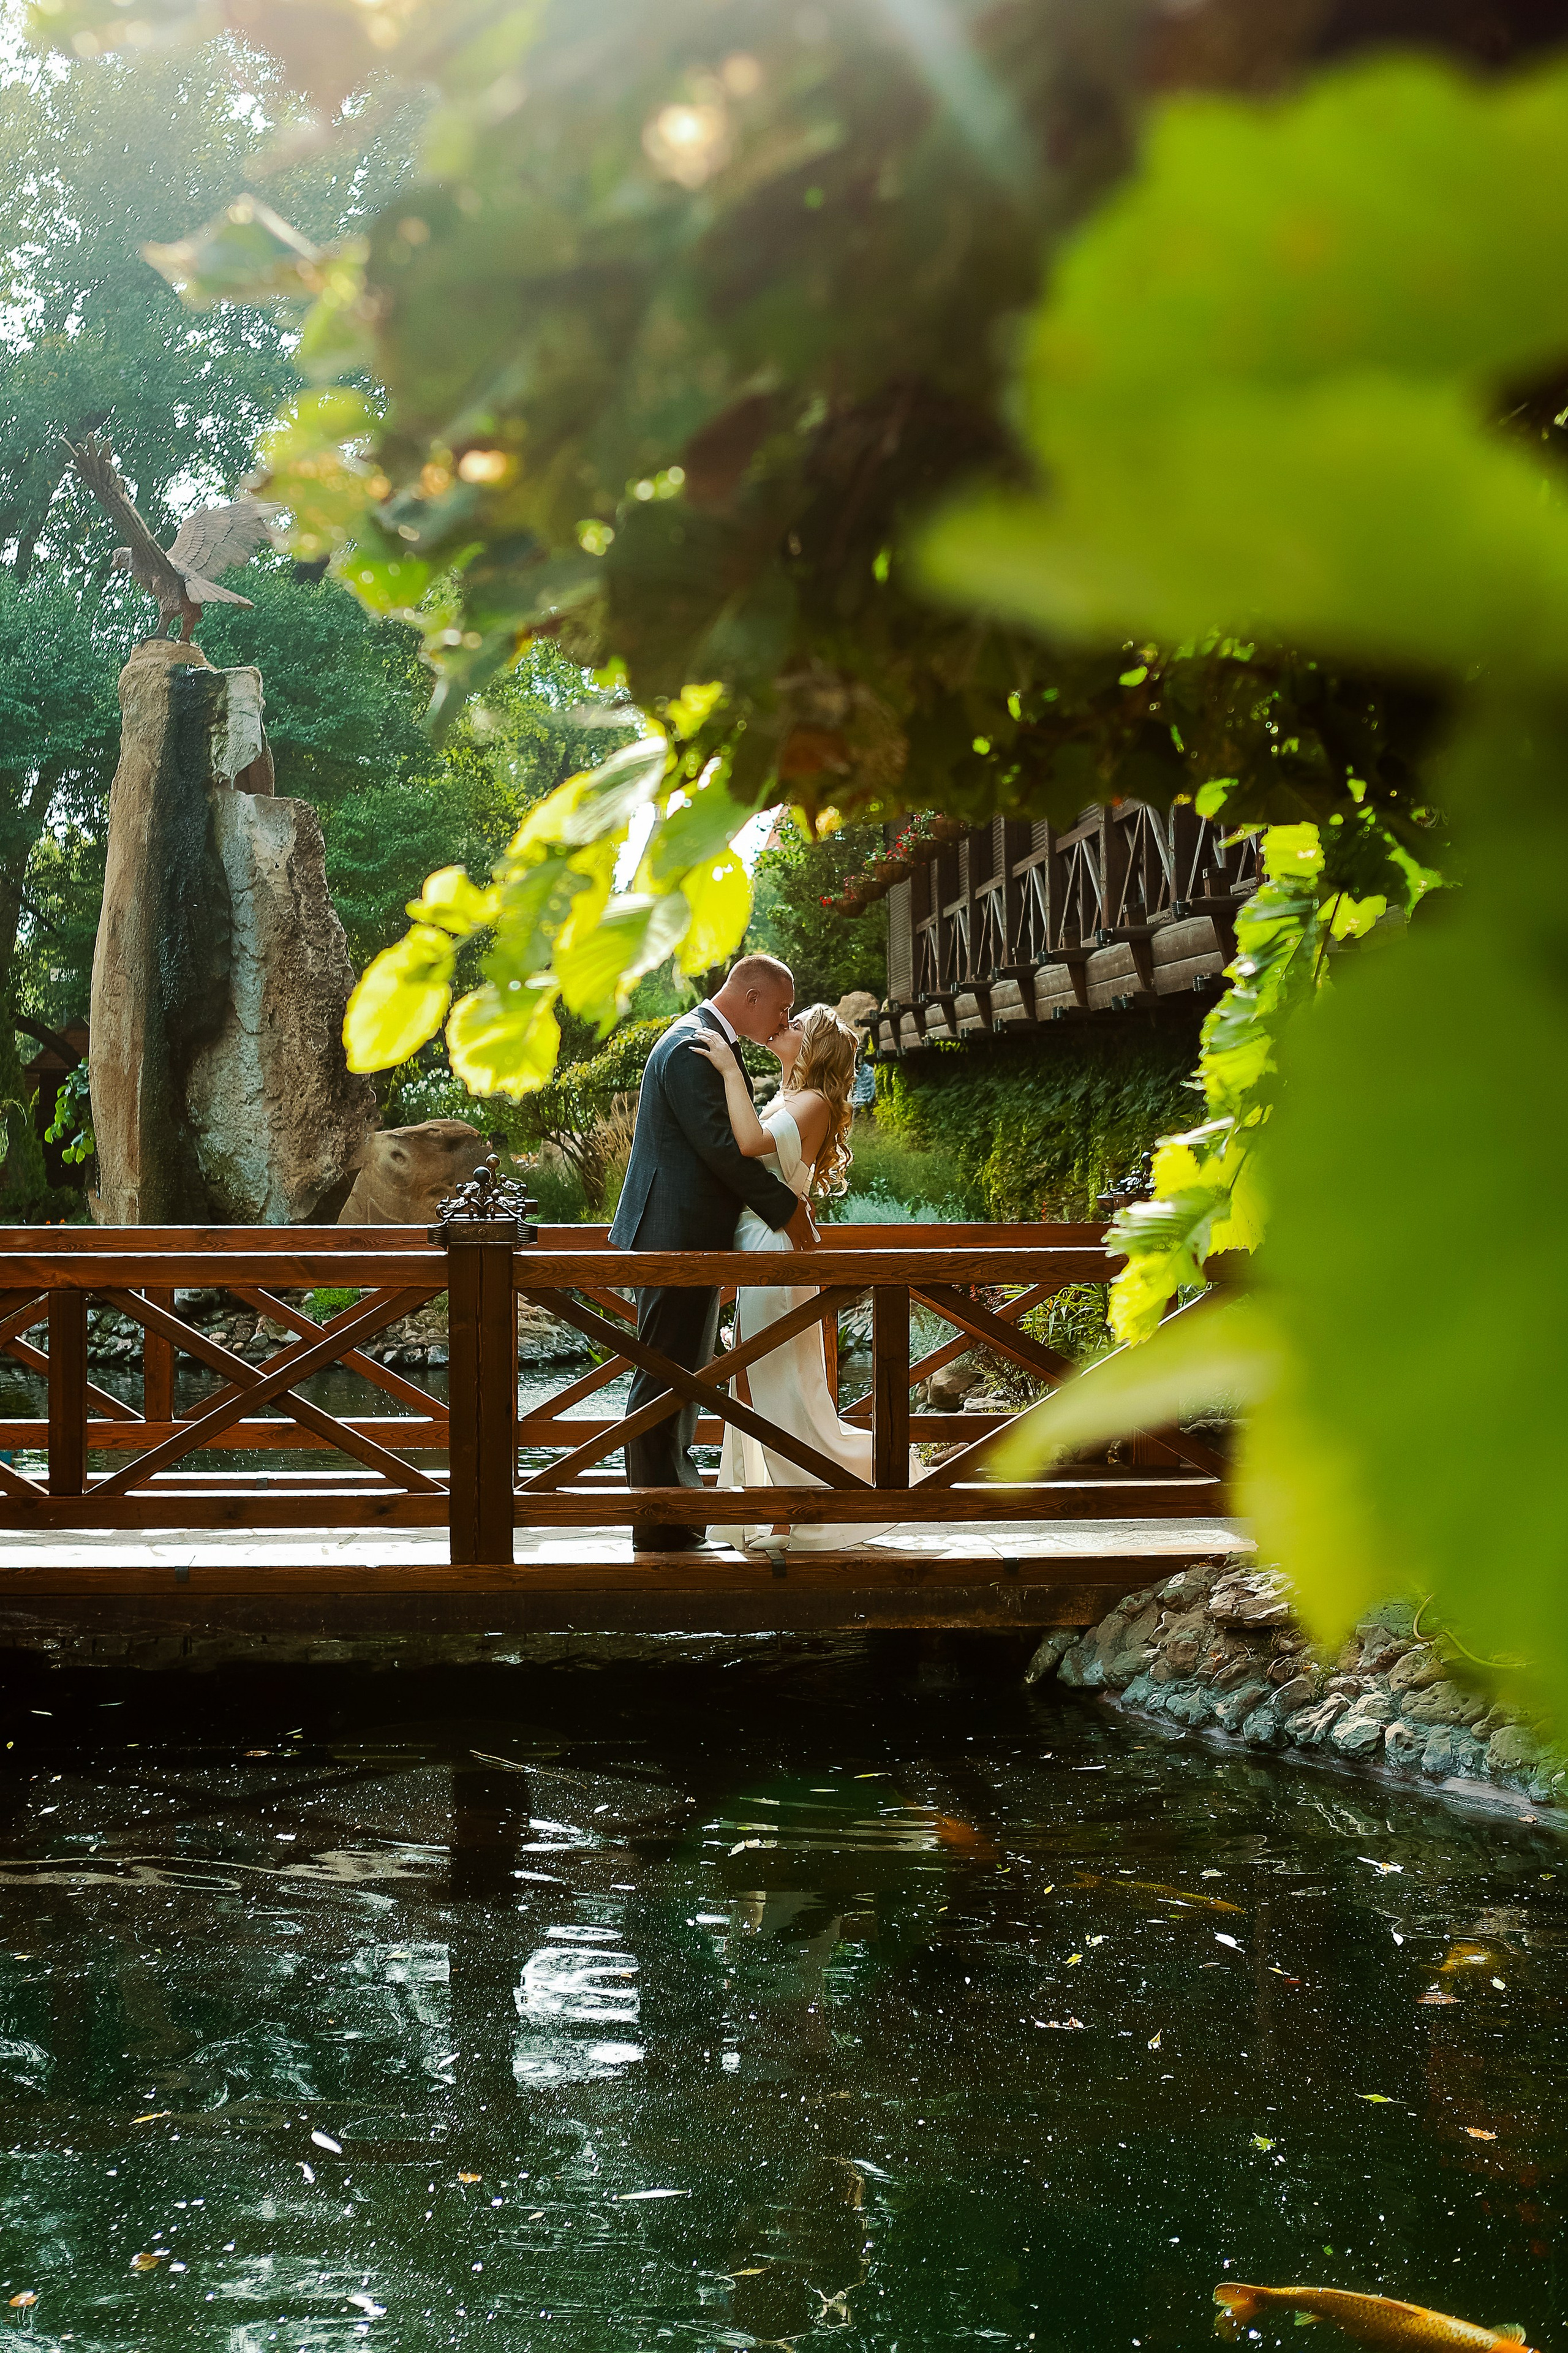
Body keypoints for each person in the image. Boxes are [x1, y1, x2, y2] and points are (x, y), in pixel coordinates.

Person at [608, 953, 817, 1554]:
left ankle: (675, 1514)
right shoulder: (688, 1048)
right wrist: (785, 1208)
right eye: (779, 1007)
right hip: (673, 1236)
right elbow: (721, 1150)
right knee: (663, 1375)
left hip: (686, 1234)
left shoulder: (699, 1042)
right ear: (750, 998)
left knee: (681, 1375)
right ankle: (657, 1522)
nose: (783, 1018)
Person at [690, 1001, 908, 1554]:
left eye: (796, 1025)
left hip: (775, 1248)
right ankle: (758, 1510)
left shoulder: (813, 1103)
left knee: (779, 1384)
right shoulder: (790, 1095)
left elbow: (749, 1145)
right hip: (753, 1244)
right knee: (748, 1381)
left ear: (814, 1048)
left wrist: (729, 1071)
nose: (783, 1027)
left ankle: (795, 1517)